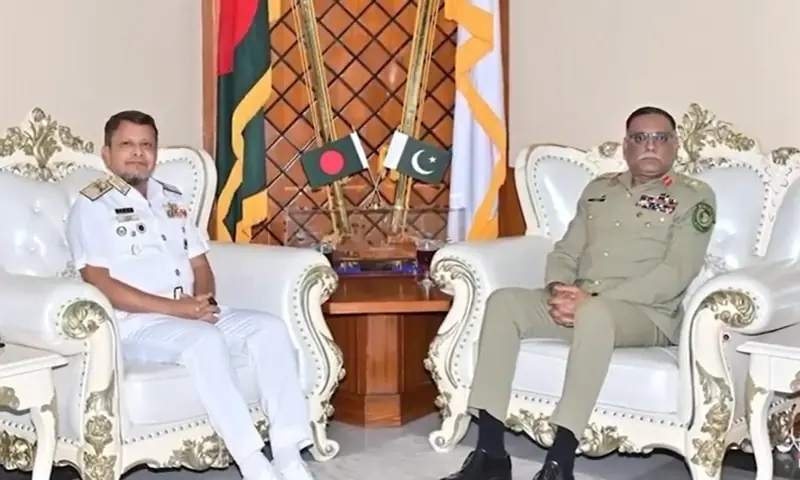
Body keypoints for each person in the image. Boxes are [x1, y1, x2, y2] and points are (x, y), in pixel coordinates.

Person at [442, 106, 716, 480]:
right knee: (504, 302)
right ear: (626, 145)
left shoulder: (693, 196)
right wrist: (559, 289)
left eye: (660, 138)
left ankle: (560, 461)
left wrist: (593, 303)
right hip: (583, 304)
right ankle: (490, 452)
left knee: (595, 315)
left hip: (646, 315)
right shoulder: (599, 190)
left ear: (674, 146)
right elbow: (566, 250)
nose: (649, 146)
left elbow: (676, 273)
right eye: (639, 138)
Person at [65, 110, 315, 480]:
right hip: (135, 323)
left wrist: (205, 301)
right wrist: (177, 310)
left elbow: (200, 264)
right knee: (205, 341)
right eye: (127, 145)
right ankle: (252, 461)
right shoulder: (91, 206)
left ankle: (288, 453)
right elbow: (98, 282)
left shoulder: (172, 198)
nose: (138, 153)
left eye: (146, 145)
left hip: (189, 311)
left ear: (155, 151)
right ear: (107, 155)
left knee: (270, 329)